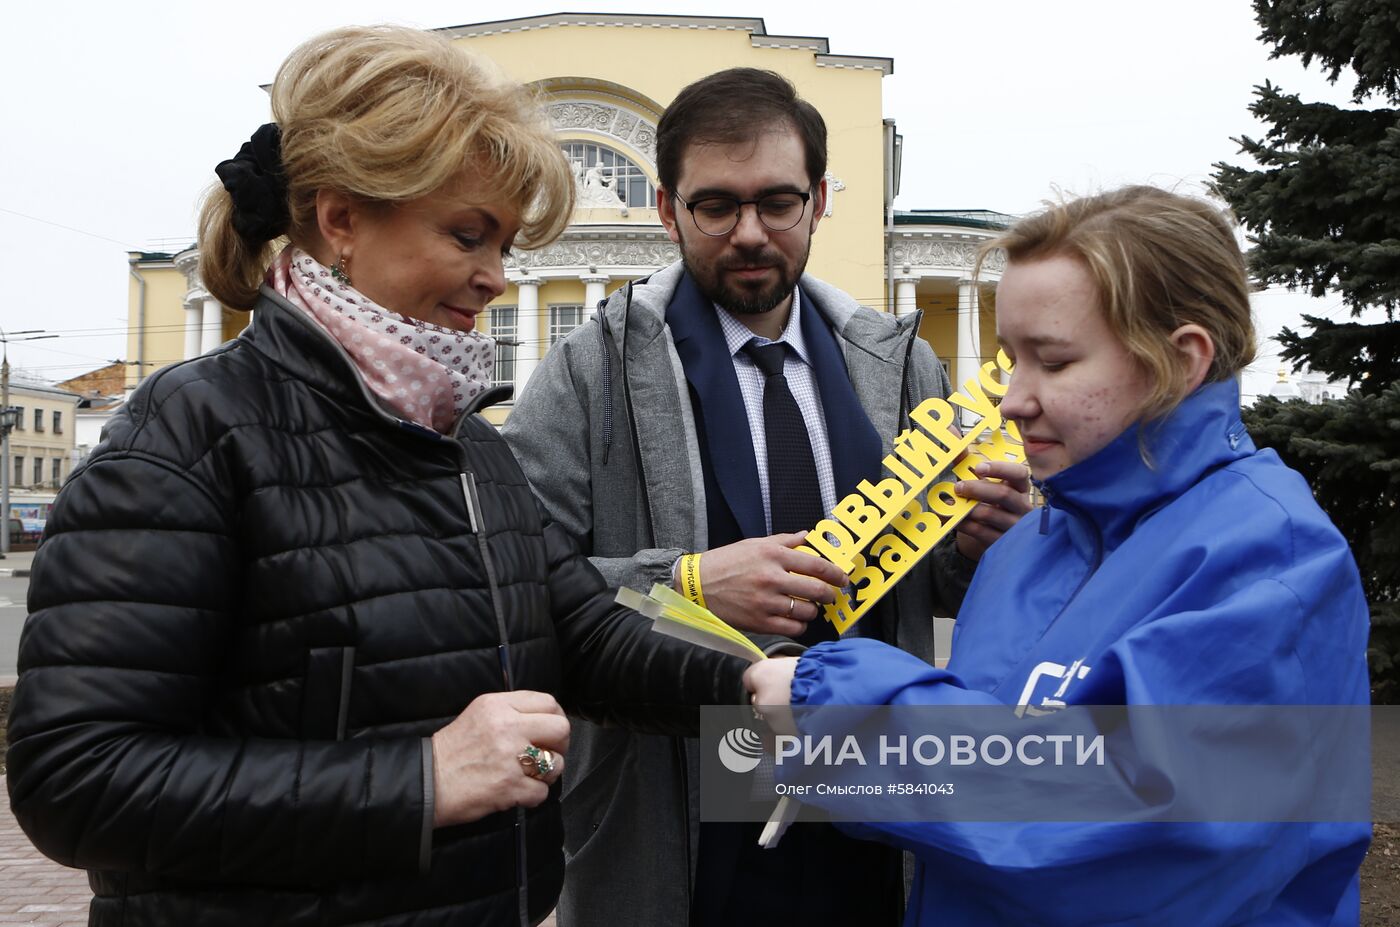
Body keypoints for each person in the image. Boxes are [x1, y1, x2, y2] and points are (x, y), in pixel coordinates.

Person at [5, 26, 749, 927]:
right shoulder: (192, 434)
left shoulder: (465, 441)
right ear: (342, 219)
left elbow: (580, 636)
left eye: (506, 245)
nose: (495, 280)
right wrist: (420, 779)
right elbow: (77, 780)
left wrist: (754, 687)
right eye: (469, 236)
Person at [744, 185, 1373, 925]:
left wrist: (835, 702)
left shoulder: (1273, 558)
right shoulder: (1025, 547)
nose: (1012, 399)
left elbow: (1119, 819)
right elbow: (975, 799)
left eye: (1055, 360)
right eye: (1012, 360)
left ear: (1183, 360)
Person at [501, 68, 1031, 926]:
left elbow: (933, 591)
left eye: (777, 202)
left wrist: (978, 550)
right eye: (716, 206)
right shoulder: (591, 369)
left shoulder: (901, 366)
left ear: (820, 201)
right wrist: (685, 581)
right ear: (669, 211)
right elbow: (513, 577)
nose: (750, 233)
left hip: (868, 804)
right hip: (673, 818)